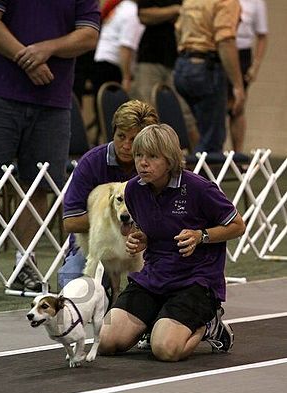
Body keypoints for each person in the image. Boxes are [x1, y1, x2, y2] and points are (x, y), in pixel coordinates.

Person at [99, 124, 246, 361]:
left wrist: (201, 236)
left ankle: (210, 325)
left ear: (169, 160)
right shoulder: (134, 191)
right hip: (154, 277)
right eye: (139, 155)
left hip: (195, 280)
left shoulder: (199, 189)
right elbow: (151, 228)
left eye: (152, 157)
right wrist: (141, 239)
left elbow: (238, 225)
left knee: (165, 350)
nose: (142, 163)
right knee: (106, 341)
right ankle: (157, 319)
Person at [0, 0, 100, 289]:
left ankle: (26, 263)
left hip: (53, 99)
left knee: (38, 185)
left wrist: (47, 49)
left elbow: (88, 35)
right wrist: (27, 60)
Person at [59, 99, 159, 289]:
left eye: (134, 139)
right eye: (121, 136)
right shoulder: (91, 163)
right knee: (72, 287)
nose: (127, 146)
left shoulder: (157, 165)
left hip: (146, 245)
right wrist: (112, 218)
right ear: (112, 132)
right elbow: (70, 222)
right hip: (96, 246)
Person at [174, 0, 245, 155]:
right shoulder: (226, 1)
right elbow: (225, 40)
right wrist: (238, 85)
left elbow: (178, 30)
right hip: (206, 67)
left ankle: (191, 170)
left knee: (196, 130)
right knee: (212, 137)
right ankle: (201, 177)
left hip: (183, 65)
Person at [131, 0, 199, 151]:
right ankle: (143, 156)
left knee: (186, 114)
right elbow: (144, 15)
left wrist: (162, 13)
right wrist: (175, 10)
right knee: (144, 113)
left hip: (177, 59)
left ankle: (201, 163)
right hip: (150, 58)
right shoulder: (177, 6)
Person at [228, 0, 268, 153]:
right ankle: (212, 157)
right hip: (221, 49)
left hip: (243, 53)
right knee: (218, 105)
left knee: (237, 106)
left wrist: (255, 66)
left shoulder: (257, 2)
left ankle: (237, 155)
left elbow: (263, 36)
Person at [91, 0, 144, 96]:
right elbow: (125, 47)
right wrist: (126, 78)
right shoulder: (133, 13)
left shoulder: (122, 6)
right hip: (113, 66)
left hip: (101, 60)